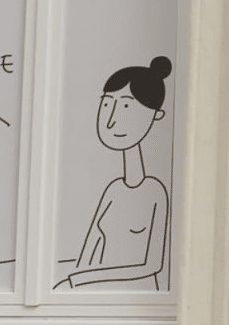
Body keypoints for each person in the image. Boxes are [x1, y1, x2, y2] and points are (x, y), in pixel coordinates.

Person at [55, 56, 171, 290]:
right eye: (107, 104)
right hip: (99, 291)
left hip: (138, 294)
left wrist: (78, 280)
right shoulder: (114, 189)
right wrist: (73, 288)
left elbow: (150, 266)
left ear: (156, 115)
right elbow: (89, 251)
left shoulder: (155, 193)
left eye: (126, 106)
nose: (110, 120)